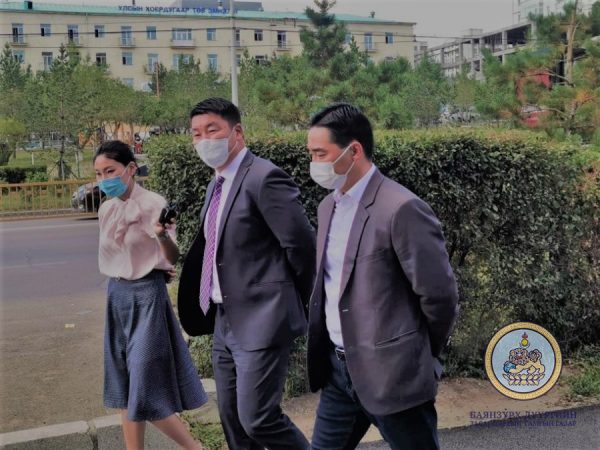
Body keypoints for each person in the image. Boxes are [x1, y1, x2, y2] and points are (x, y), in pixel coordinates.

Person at [305, 104, 459, 450]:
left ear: (354, 151)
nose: (314, 163)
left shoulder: (401, 208)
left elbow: (439, 296)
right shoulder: (328, 207)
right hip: (338, 372)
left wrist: (419, 354)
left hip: (393, 374)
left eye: (320, 154)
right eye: (311, 154)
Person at [178, 97, 316, 450]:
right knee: (233, 422)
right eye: (196, 133)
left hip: (263, 318)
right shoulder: (216, 184)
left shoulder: (264, 177)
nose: (203, 140)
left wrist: (292, 302)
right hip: (224, 319)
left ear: (236, 132)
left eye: (212, 130)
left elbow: (302, 247)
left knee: (258, 418)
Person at [94, 140, 208, 450]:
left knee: (144, 386)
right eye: (99, 173)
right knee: (125, 384)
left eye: (110, 171)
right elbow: (116, 256)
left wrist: (160, 240)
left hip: (147, 296)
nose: (104, 179)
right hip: (117, 296)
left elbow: (172, 256)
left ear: (130, 168)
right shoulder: (106, 208)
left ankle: (195, 448)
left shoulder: (153, 203)